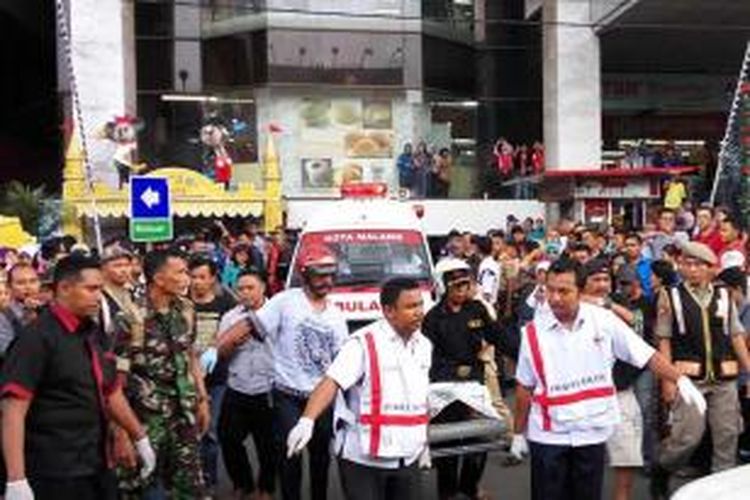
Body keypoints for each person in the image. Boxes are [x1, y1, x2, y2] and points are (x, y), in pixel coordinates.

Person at [509, 258, 706, 500]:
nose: (555, 298)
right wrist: (518, 432)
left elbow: (644, 354)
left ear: (580, 292)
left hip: (591, 430)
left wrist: (680, 379)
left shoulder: (603, 321)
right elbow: (524, 386)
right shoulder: (532, 333)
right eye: (550, 290)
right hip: (548, 434)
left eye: (564, 291)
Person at [1, 254, 156, 500]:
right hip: (55, 471)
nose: (99, 296)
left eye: (100, 289)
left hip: (96, 462)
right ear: (64, 288)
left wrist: (139, 437)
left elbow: (111, 390)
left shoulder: (92, 332)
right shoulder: (37, 339)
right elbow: (13, 410)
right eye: (91, 289)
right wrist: (16, 479)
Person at [286, 277, 430, 500]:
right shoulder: (364, 343)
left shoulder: (423, 345)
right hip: (363, 461)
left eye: (420, 304)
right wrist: (307, 420)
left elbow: (420, 397)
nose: (419, 312)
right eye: (411, 306)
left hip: (407, 458)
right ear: (389, 311)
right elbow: (331, 381)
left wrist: (423, 441)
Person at [114, 249, 210, 499]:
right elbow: (115, 383)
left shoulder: (186, 310)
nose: (187, 278)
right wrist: (121, 433)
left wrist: (202, 399)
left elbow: (190, 356)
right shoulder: (130, 318)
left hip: (183, 415)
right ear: (158, 278)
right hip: (145, 421)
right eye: (180, 272)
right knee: (141, 488)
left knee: (190, 489)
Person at [256, 244, 348, 500]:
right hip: (287, 396)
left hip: (322, 399)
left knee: (321, 460)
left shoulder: (336, 315)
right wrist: (217, 350)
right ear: (304, 274)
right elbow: (252, 328)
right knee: (289, 458)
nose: (326, 281)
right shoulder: (285, 301)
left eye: (331, 275)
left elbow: (341, 360)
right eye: (320, 275)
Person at [654, 242, 750, 485]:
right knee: (688, 437)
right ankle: (663, 467)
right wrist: (668, 380)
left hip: (724, 376)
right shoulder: (671, 295)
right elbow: (663, 340)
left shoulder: (725, 295)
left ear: (711, 269)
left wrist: (749, 369)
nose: (692, 269)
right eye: (687, 263)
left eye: (698, 264)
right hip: (688, 378)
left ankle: (720, 488)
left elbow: (736, 335)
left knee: (727, 435)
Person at [423, 259, 516, 500]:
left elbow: (498, 336)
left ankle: (470, 486)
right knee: (449, 445)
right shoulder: (432, 318)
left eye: (466, 284)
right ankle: (448, 492)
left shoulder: (477, 309)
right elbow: (427, 357)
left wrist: (524, 354)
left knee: (480, 439)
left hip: (474, 384)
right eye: (457, 285)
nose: (463, 290)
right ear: (443, 286)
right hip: (444, 387)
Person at [216, 269, 276, 500]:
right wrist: (232, 344)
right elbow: (220, 353)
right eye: (241, 289)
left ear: (263, 288)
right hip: (238, 387)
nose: (245, 293)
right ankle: (243, 483)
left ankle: (266, 488)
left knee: (268, 445)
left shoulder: (277, 314)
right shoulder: (231, 317)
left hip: (268, 388)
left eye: (250, 288)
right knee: (228, 437)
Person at [188, 255, 236, 493]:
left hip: (216, 379)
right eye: (193, 276)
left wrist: (218, 349)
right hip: (185, 379)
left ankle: (210, 484)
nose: (196, 282)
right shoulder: (182, 303)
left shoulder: (225, 303)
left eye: (202, 277)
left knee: (209, 432)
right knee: (187, 433)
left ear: (213, 278)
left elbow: (235, 336)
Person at [0, 264, 41, 356]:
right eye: (21, 283)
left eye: (33, 281)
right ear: (9, 287)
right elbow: (8, 353)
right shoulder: (3, 316)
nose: (28, 287)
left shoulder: (48, 309)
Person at [621, 233, 653, 300]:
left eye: (633, 245)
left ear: (641, 246)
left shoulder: (650, 264)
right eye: (627, 246)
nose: (629, 248)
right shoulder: (621, 265)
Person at [477, 232, 504, 307]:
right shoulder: (491, 263)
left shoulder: (487, 266)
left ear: (478, 249)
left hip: (486, 305)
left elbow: (487, 292)